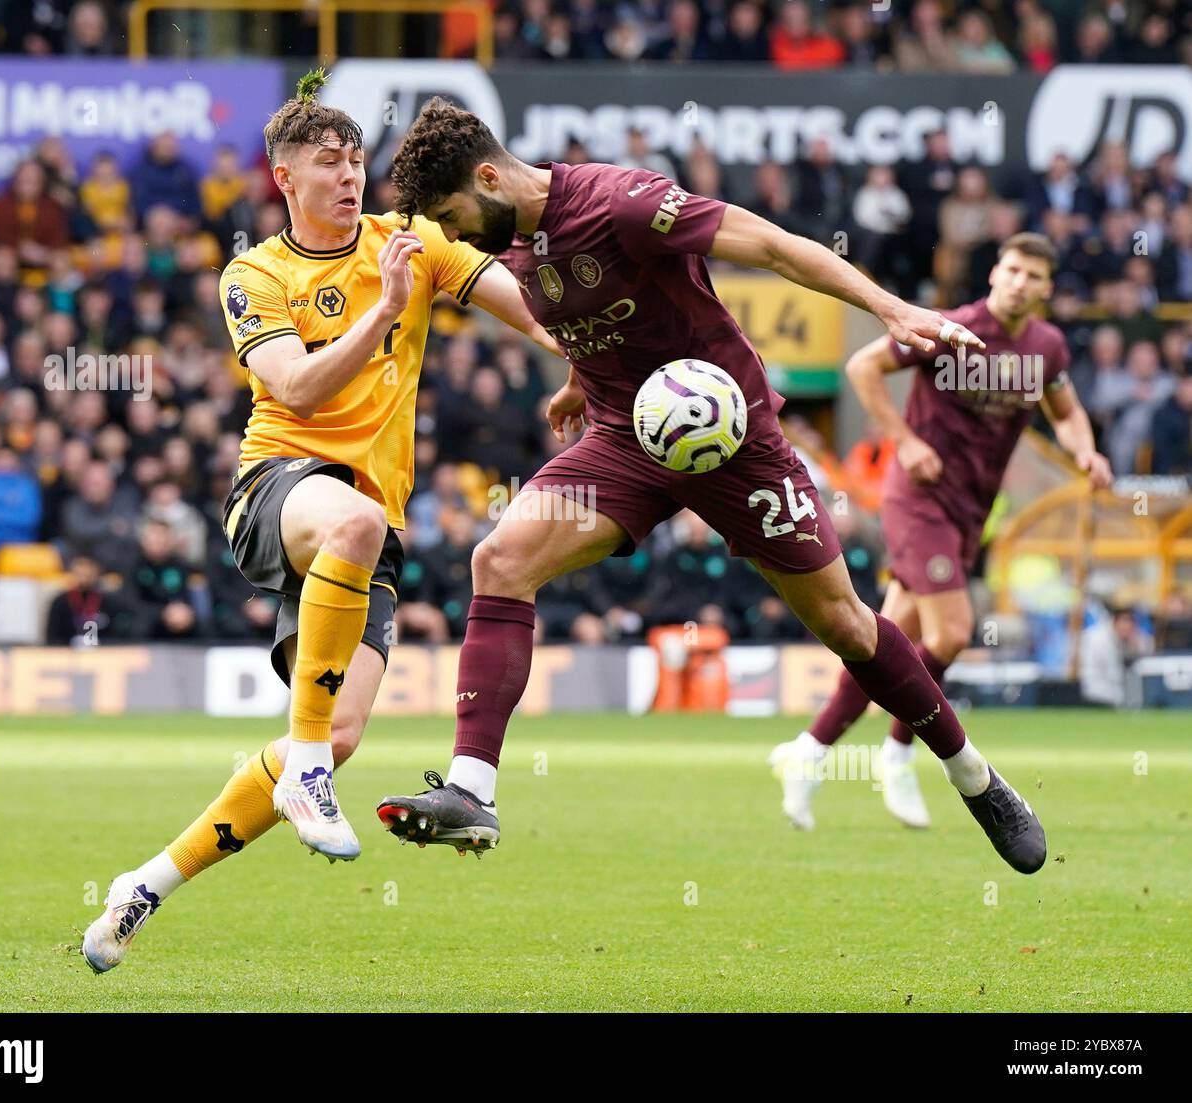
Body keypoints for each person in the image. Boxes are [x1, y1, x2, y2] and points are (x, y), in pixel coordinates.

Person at [374, 97, 1048, 877]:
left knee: (848, 625)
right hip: (623, 441)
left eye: (452, 217)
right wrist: (574, 379)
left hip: (733, 441)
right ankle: (471, 790)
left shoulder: (619, 203)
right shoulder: (521, 243)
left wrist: (892, 308)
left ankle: (974, 776)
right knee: (499, 560)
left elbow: (770, 245)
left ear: (489, 176)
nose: (452, 237)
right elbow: (591, 312)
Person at [82, 71, 556, 972]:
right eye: (328, 162)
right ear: (284, 179)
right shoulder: (254, 273)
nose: (349, 175)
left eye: (356, 159)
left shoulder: (409, 239)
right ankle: (302, 769)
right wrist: (382, 307)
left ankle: (144, 884)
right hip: (277, 488)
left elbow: (527, 310)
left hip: (367, 527)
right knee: (351, 529)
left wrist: (597, 356)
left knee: (339, 736)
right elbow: (295, 385)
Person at [770, 233, 1112, 829]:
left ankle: (810, 750)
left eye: (1032, 276)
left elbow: (1067, 411)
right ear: (994, 275)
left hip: (970, 512)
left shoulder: (1047, 348)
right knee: (952, 632)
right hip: (919, 499)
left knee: (884, 642)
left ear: (1047, 289)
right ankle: (899, 752)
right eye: (1010, 269)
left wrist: (1087, 452)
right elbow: (863, 365)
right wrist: (905, 441)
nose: (1018, 282)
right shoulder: (950, 328)